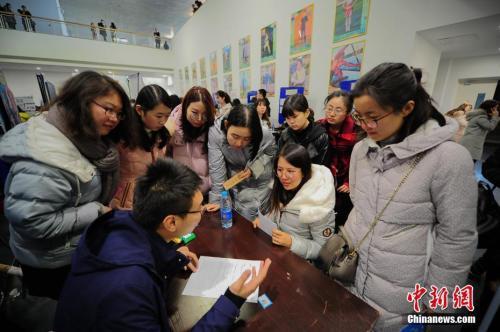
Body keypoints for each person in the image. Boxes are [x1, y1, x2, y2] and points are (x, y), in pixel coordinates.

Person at [54, 158, 272, 331]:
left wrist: (171, 256)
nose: (204, 210)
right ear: (171, 222)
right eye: (198, 208)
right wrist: (232, 299)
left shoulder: (120, 224)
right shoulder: (128, 287)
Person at [344, 63, 477, 331]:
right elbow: (358, 205)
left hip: (401, 296)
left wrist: (438, 302)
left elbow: (456, 236)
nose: (365, 125)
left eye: (373, 117)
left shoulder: (448, 158)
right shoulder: (361, 150)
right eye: (359, 116)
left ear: (407, 108)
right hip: (351, 276)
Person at [0, 71, 135, 300]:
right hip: (52, 263)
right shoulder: (46, 155)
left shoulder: (86, 139)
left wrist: (106, 205)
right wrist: (97, 211)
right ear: (80, 101)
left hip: (77, 250)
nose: (114, 118)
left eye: (119, 113)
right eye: (108, 109)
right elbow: (33, 221)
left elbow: (77, 193)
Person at [259, 144, 335, 260]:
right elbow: (277, 215)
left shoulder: (319, 202)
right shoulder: (281, 187)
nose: (283, 176)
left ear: (304, 171)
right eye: (279, 170)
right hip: (279, 253)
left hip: (301, 263)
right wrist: (264, 222)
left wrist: (292, 242)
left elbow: (323, 250)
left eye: (290, 171)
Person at [208, 105, 276, 222]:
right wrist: (218, 202)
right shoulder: (216, 134)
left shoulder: (263, 133)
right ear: (226, 125)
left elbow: (271, 153)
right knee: (240, 220)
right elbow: (217, 170)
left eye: (247, 139)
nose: (239, 143)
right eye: (235, 136)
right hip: (237, 184)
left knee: (263, 224)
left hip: (262, 183)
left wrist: (254, 169)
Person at [111, 85, 172, 209]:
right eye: (159, 116)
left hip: (154, 198)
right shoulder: (122, 135)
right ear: (139, 110)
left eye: (167, 116)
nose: (163, 121)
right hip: (125, 202)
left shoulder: (161, 134)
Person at [316, 91, 358, 227]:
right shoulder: (319, 126)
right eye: (329, 108)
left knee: (341, 217)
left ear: (347, 112)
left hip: (346, 181)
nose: (332, 113)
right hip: (326, 177)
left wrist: (349, 182)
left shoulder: (357, 132)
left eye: (338, 110)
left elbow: (358, 162)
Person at [166, 86, 215, 196]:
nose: (199, 119)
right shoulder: (172, 128)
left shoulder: (213, 131)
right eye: (194, 112)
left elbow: (217, 167)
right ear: (185, 107)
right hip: (179, 194)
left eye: (205, 114)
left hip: (205, 195)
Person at [278, 94, 329, 165]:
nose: (291, 121)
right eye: (288, 118)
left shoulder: (320, 136)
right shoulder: (285, 135)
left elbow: (321, 168)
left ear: (307, 113)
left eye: (295, 116)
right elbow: (279, 161)